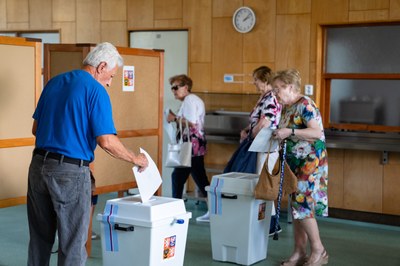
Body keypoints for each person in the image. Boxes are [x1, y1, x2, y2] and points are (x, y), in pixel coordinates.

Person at [27, 42, 149, 266]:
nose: (110, 82)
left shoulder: (54, 82)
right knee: (73, 242)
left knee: (40, 239)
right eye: (111, 76)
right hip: (70, 172)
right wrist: (135, 159)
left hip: (38, 167)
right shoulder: (96, 90)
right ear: (101, 66)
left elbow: (36, 129)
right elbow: (107, 141)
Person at [272, 69, 328, 266]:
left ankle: (319, 249)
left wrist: (290, 131)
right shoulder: (287, 107)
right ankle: (299, 251)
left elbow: (316, 132)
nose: (275, 93)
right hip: (294, 163)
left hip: (309, 162)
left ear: (289, 86)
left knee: (301, 204)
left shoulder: (305, 104)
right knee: (296, 206)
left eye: (278, 88)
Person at [240, 66, 282, 236]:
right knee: (261, 183)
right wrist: (247, 130)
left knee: (265, 184)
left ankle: (272, 223)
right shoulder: (264, 97)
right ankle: (265, 220)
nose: (254, 83)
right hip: (261, 146)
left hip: (265, 147)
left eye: (256, 79)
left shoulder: (271, 97)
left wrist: (251, 134)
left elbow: (266, 122)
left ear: (265, 80)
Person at [166, 74, 210, 222]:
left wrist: (174, 118)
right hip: (192, 145)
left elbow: (191, 122)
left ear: (186, 87)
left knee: (189, 178)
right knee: (187, 177)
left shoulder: (190, 100)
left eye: (176, 87)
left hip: (192, 146)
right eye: (172, 88)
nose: (173, 91)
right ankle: (213, 210)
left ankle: (176, 211)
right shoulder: (190, 100)